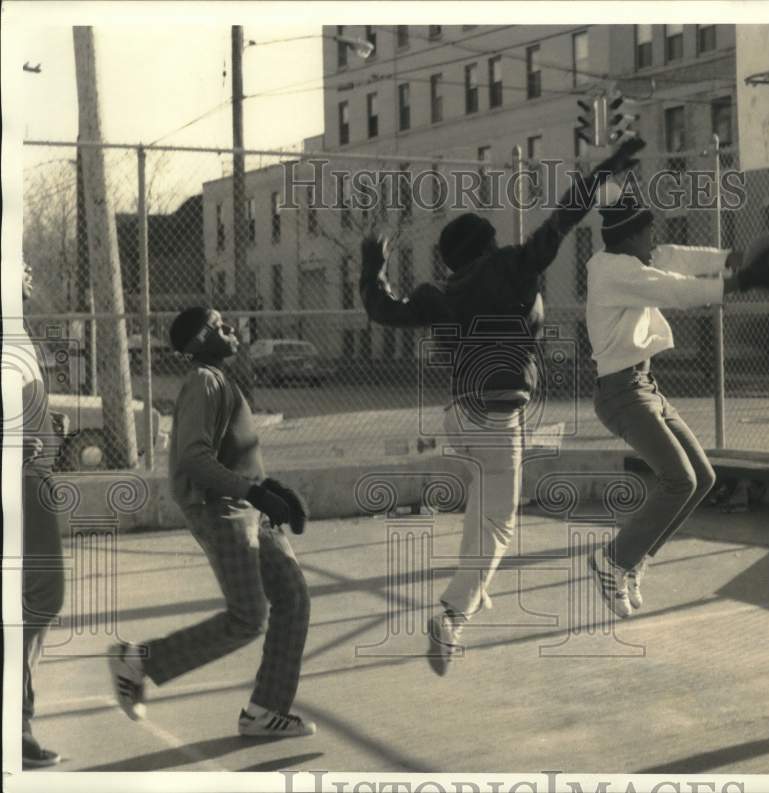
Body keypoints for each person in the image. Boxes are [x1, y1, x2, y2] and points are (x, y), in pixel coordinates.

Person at [360, 138, 646, 675]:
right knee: (498, 524)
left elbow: (382, 309)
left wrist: (372, 264)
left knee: (481, 510)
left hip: (459, 418)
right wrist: (603, 174)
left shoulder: (435, 294)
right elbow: (563, 220)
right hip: (496, 417)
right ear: (488, 246)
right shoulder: (512, 267)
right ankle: (453, 615)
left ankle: (478, 584)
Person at [107, 306, 314, 738]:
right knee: (247, 618)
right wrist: (256, 493)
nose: (230, 329)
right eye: (219, 326)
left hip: (247, 509)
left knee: (292, 595)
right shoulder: (204, 381)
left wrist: (271, 489)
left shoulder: (218, 380)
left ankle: (265, 710)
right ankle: (139, 660)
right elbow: (194, 459)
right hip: (223, 512)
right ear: (202, 340)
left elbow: (231, 454)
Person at [585, 187, 769, 616]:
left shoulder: (629, 259)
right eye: (648, 233)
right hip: (621, 394)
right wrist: (739, 282)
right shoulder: (616, 273)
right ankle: (612, 559)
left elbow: (674, 257)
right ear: (629, 236)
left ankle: (633, 560)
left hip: (644, 387)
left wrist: (727, 257)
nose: (654, 242)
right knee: (680, 480)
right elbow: (674, 288)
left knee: (703, 478)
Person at [19, 260, 67, 768]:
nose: (30, 270)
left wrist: (46, 422)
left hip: (33, 478)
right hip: (18, 481)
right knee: (41, 597)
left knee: (32, 603)